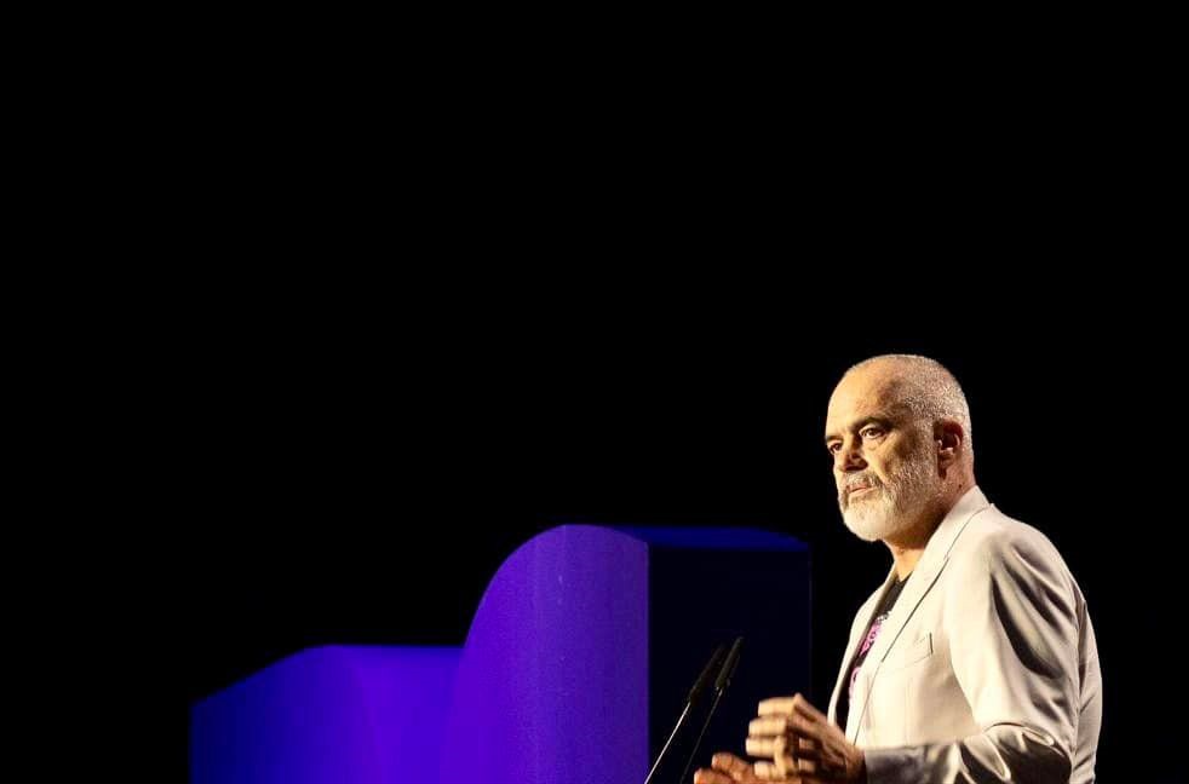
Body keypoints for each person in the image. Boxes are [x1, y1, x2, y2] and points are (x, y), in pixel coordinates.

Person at [695, 355, 1101, 784]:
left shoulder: (994, 551)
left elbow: (1038, 755)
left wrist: (861, 768)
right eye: (835, 446)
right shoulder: (873, 608)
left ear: (946, 443)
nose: (845, 461)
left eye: (871, 432)